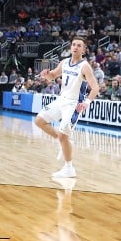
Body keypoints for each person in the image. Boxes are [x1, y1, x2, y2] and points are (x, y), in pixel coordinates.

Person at [34, 37, 100, 179]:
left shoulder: (85, 66)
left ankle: (69, 168)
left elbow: (95, 88)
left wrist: (86, 102)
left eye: (79, 45)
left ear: (83, 49)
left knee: (64, 136)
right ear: (70, 47)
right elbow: (53, 76)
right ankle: (64, 143)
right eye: (74, 44)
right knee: (39, 120)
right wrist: (47, 75)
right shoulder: (64, 62)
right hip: (61, 99)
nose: (75, 47)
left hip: (73, 104)